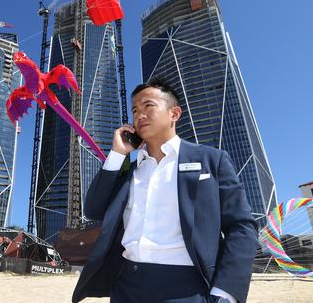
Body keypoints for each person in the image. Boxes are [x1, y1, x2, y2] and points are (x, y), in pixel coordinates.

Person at [72, 78, 258, 303]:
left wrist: (225, 293)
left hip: (187, 288)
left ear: (174, 113)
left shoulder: (211, 160)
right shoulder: (129, 172)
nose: (140, 114)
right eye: (135, 110)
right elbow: (93, 210)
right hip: (126, 286)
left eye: (148, 106)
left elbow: (241, 226)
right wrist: (118, 154)